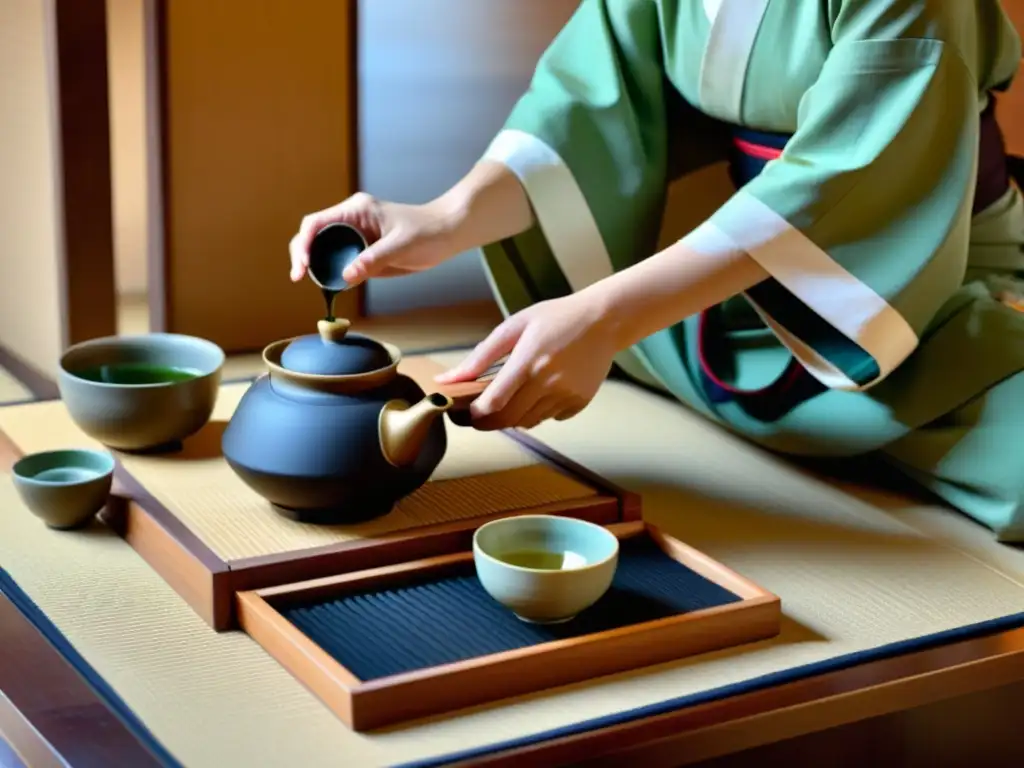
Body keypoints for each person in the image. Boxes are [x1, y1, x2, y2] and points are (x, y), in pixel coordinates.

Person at [288, 0, 1024, 541]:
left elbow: (846, 182)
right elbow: (581, 110)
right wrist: (444, 217)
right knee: (584, 332)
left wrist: (610, 316)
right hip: (751, 289)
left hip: (910, 280)